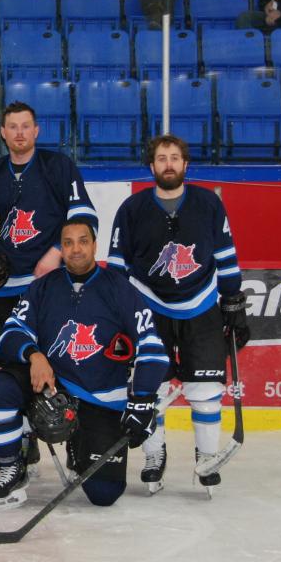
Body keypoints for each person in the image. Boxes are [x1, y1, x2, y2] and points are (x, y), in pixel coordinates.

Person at [0, 218, 170, 510]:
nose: (75, 249)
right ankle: (12, 464)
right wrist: (34, 354)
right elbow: (8, 335)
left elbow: (153, 349)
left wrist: (142, 400)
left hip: (100, 397)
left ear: (94, 245)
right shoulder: (43, 287)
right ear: (61, 249)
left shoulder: (119, 289)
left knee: (105, 494)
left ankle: (79, 446)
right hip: (52, 386)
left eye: (83, 241)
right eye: (67, 243)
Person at [107, 134, 249, 491]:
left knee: (204, 387)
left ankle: (206, 458)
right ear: (151, 166)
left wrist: (233, 303)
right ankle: (155, 454)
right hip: (148, 305)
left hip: (200, 305)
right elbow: (116, 265)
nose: (168, 164)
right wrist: (118, 311)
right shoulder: (132, 209)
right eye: (161, 158)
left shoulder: (208, 204)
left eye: (174, 158)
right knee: (147, 387)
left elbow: (226, 256)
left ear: (185, 164)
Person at [0, 101, 96, 373]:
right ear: (3, 132)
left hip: (48, 285)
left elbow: (85, 220)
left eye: (26, 126)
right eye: (13, 127)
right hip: (1, 286)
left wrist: (56, 253)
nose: (20, 133)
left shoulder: (59, 168)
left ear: (36, 131)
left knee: (52, 362)